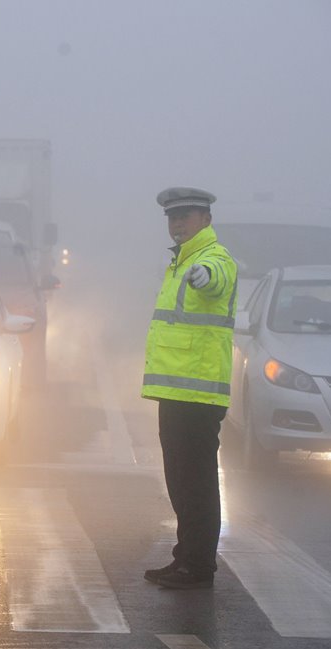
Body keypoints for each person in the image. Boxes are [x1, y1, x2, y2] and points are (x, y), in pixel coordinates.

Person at [141, 187, 238, 590]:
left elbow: (218, 280)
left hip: (198, 396)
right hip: (178, 393)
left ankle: (198, 566)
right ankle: (186, 558)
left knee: (195, 483)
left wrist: (205, 277)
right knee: (180, 481)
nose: (177, 223)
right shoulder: (181, 261)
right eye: (173, 217)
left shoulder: (212, 259)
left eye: (186, 216)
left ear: (206, 220)